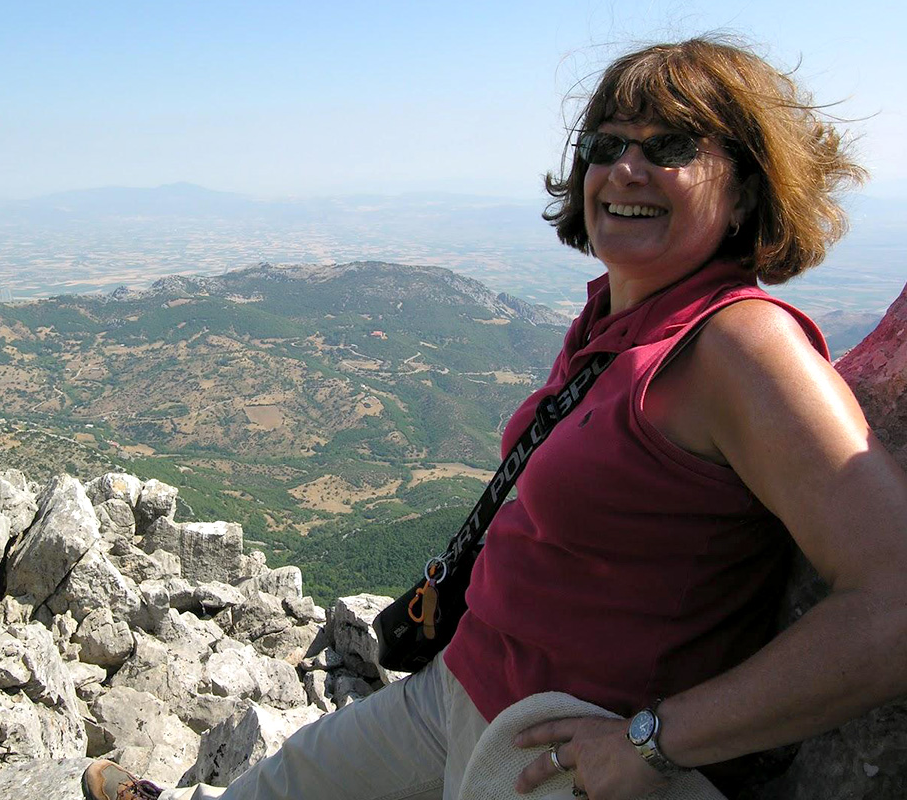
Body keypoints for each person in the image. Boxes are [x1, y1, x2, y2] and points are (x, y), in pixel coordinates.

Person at [82, 36, 907, 800]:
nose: (625, 168)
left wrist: (655, 742)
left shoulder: (740, 346)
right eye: (605, 145)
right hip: (459, 687)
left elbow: (894, 600)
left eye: (670, 147)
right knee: (282, 782)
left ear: (748, 189)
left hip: (557, 754)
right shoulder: (614, 324)